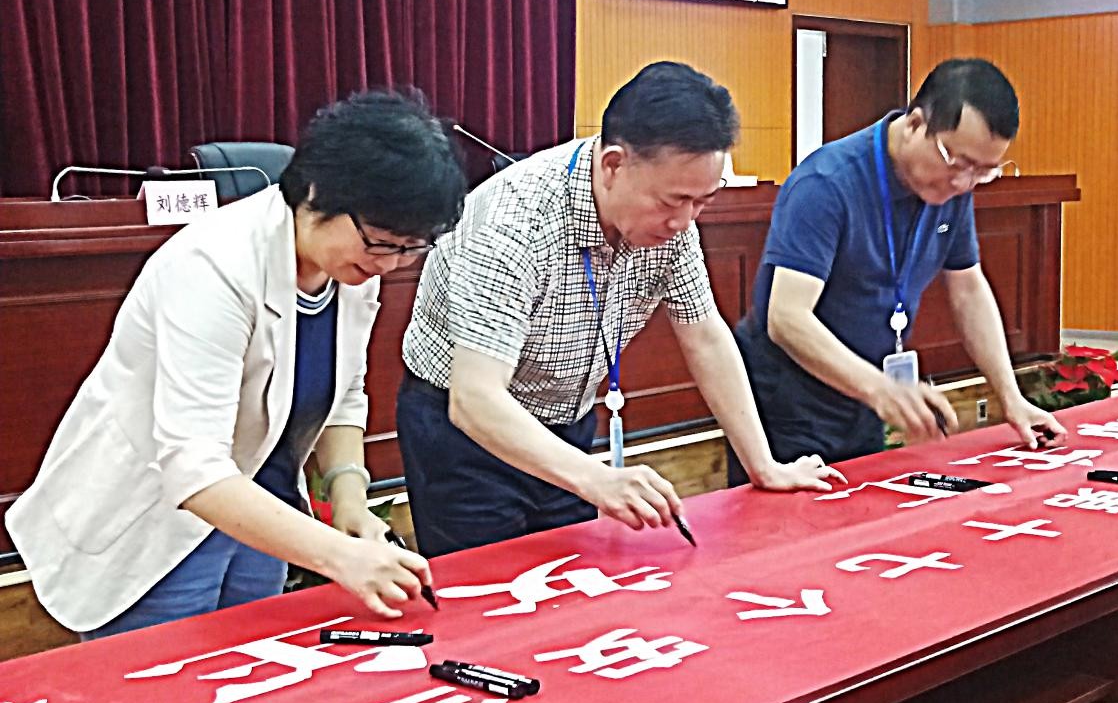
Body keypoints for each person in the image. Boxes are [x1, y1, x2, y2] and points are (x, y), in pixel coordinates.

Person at [8, 89, 468, 637]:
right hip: (156, 518)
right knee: (166, 675)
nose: (390, 265)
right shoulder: (213, 266)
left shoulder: (351, 266)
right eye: (382, 243)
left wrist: (349, 498)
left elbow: (345, 393)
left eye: (410, 249)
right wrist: (340, 557)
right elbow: (194, 467)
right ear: (318, 192)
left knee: (253, 665)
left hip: (261, 506)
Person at [398, 61, 844, 558]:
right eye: (673, 201)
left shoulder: (670, 224)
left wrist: (764, 465)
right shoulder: (513, 222)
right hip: (466, 438)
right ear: (613, 165)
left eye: (702, 202)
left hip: (566, 422)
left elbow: (704, 335)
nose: (683, 221)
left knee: (569, 582)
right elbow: (475, 400)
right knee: (491, 591)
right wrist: (598, 480)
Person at [729, 58, 1067, 484]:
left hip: (863, 390)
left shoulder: (951, 190)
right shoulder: (826, 183)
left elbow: (968, 289)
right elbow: (786, 318)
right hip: (787, 399)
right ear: (915, 124)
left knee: (863, 513)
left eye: (984, 172)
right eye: (958, 162)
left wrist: (1011, 398)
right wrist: (881, 390)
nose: (964, 183)